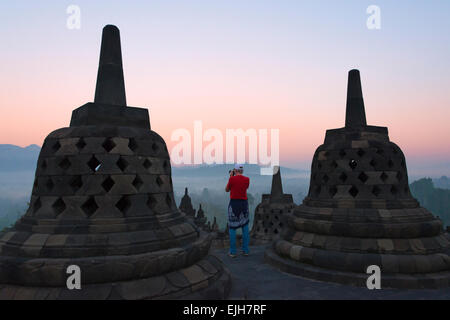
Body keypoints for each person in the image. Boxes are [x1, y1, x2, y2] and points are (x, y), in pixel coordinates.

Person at [225, 164, 250, 258]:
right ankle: (246, 250)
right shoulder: (247, 179)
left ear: (235, 170)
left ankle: (233, 252)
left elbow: (227, 190)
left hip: (234, 204)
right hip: (244, 204)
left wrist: (231, 177)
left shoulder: (232, 179)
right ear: (242, 171)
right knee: (245, 227)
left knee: (232, 228)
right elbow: (244, 188)